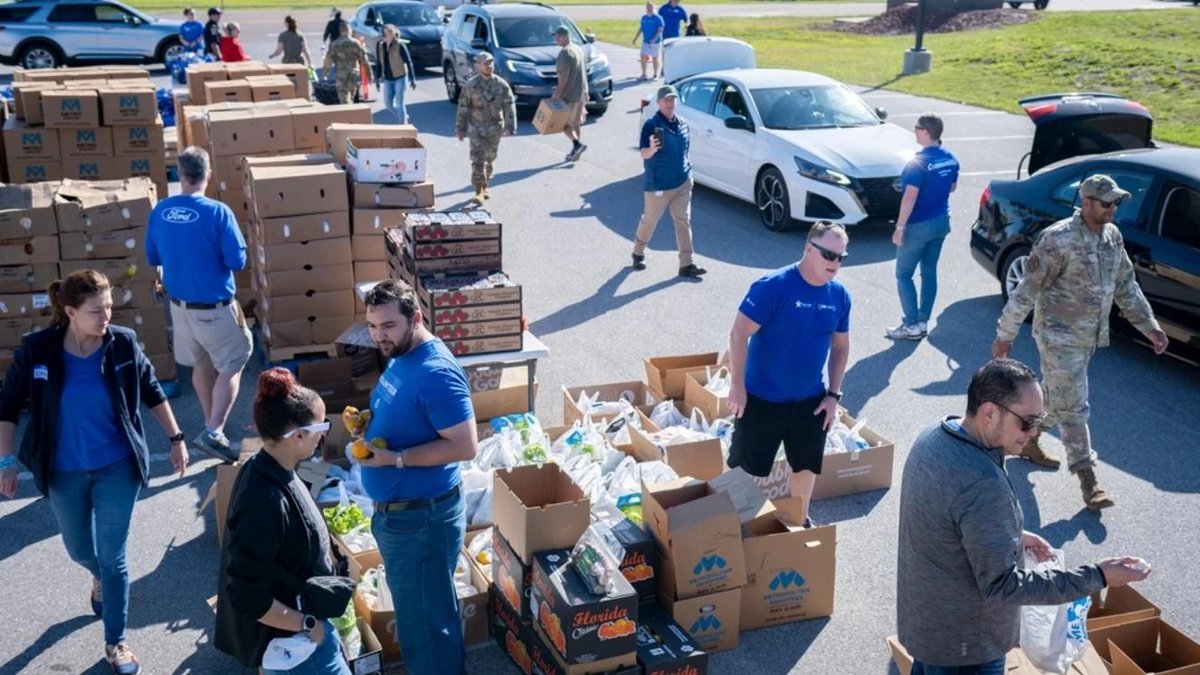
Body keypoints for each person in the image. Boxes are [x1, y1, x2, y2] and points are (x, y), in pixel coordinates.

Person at [897, 358, 1152, 674]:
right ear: (990, 412)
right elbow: (1003, 587)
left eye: (1040, 420)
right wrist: (1097, 577)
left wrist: (1012, 534)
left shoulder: (933, 437)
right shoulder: (981, 482)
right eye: (1026, 422)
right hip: (966, 650)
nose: (1035, 432)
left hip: (928, 627)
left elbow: (946, 523)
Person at [0, 270, 189, 675]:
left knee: (114, 557)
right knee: (79, 549)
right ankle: (97, 577)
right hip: (63, 472)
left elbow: (151, 388)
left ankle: (116, 643)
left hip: (117, 467)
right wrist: (6, 461)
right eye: (96, 310)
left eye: (108, 306)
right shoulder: (39, 350)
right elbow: (7, 406)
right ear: (69, 311)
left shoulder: (122, 342)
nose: (107, 315)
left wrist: (176, 438)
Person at [992, 174, 1168, 511]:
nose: (1113, 208)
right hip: (1058, 337)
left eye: (1116, 202)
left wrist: (1150, 327)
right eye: (1106, 203)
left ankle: (1026, 438)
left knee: (1059, 397)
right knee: (1074, 405)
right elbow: (1027, 290)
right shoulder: (1057, 240)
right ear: (1085, 202)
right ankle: (1088, 480)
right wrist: (1005, 334)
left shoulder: (1112, 237)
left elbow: (1126, 286)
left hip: (1089, 336)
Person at [354, 280, 478, 675]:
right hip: (402, 517)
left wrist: (396, 459)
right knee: (417, 620)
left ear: (416, 318)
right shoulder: (402, 355)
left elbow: (464, 445)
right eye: (372, 326)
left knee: (427, 628)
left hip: (420, 521)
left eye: (388, 326)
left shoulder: (436, 373)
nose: (379, 336)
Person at [214, 368, 351, 675]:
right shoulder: (265, 502)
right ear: (298, 435)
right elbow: (248, 593)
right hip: (299, 646)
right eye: (322, 425)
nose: (325, 433)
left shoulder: (267, 466)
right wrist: (308, 625)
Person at [726, 221, 851, 521]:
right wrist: (737, 387)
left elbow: (841, 346)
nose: (835, 263)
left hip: (810, 401)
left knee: (805, 466)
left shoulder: (839, 295)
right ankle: (729, 525)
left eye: (841, 257)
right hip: (760, 399)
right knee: (745, 469)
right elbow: (739, 334)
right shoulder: (774, 286)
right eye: (829, 255)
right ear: (809, 249)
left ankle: (799, 520)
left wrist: (833, 395)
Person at [145, 147, 253, 465]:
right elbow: (237, 260)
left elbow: (153, 258)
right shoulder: (218, 212)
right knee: (235, 359)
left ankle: (210, 422)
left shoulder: (161, 210)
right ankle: (214, 429)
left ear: (179, 174)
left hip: (180, 308)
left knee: (202, 363)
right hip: (214, 308)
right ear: (208, 174)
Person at [887, 112, 959, 341]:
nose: (914, 130)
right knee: (929, 272)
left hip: (919, 225)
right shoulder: (951, 158)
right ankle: (923, 321)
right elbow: (952, 187)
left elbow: (909, 198)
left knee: (903, 274)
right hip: (941, 221)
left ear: (926, 132)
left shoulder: (917, 162)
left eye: (917, 127)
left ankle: (910, 325)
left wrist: (899, 228)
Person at [631, 85, 706, 278]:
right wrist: (652, 149)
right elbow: (643, 154)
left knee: (683, 221)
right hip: (658, 186)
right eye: (666, 100)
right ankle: (638, 252)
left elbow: (685, 149)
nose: (669, 103)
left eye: (672, 100)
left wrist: (688, 170)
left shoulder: (682, 124)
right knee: (650, 220)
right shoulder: (651, 125)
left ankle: (686, 264)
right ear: (658, 103)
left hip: (682, 183)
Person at [455, 52, 516, 204]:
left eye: (490, 63)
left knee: (490, 159)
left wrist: (510, 126)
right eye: (485, 63)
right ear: (478, 65)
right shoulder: (471, 85)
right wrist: (460, 128)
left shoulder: (501, 84)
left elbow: (509, 105)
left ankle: (485, 184)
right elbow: (463, 107)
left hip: (495, 128)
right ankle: (478, 190)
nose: (489, 66)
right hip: (476, 128)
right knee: (477, 160)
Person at [551, 25, 588, 162]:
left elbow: (564, 76)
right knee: (575, 124)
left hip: (570, 95)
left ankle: (577, 145)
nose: (556, 39)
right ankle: (576, 153)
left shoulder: (564, 53)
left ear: (565, 36)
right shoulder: (578, 49)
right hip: (582, 93)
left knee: (565, 126)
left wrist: (557, 93)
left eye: (558, 36)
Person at [373, 24, 417, 123]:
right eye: (382, 33)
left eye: (386, 34)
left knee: (399, 103)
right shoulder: (380, 46)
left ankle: (403, 126)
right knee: (388, 105)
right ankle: (404, 116)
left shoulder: (400, 45)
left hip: (400, 77)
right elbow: (379, 62)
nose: (383, 36)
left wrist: (412, 79)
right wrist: (377, 78)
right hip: (388, 79)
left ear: (392, 34)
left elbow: (409, 62)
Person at [323, 21, 371, 105]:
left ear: (340, 31)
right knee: (351, 96)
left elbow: (328, 59)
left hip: (341, 74)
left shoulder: (335, 44)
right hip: (353, 73)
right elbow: (364, 60)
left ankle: (348, 114)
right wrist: (369, 75)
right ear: (349, 30)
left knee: (343, 97)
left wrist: (325, 73)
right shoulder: (356, 43)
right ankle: (350, 114)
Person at [631, 2, 663, 81]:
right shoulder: (644, 18)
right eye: (648, 7)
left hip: (655, 42)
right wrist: (635, 38)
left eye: (651, 7)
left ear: (654, 8)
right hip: (645, 41)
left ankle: (655, 74)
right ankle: (644, 74)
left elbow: (660, 30)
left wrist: (653, 39)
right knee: (643, 56)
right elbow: (641, 28)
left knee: (655, 58)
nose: (649, 8)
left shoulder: (658, 18)